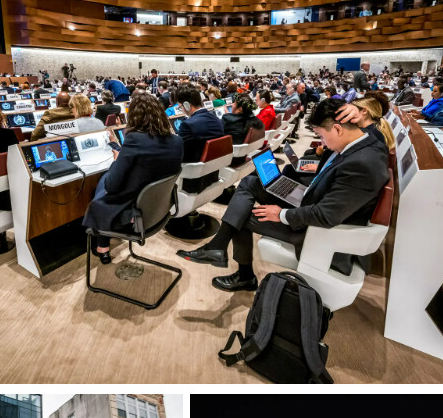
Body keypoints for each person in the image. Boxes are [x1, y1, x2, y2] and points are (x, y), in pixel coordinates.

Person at [177, 98, 390, 291]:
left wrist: (280, 214)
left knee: (244, 214)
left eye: (322, 136)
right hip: (310, 198)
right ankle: (218, 247)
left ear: (338, 129)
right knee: (251, 182)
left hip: (317, 229)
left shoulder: (363, 164)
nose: (322, 144)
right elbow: (372, 130)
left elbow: (326, 216)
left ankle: (244, 276)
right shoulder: (367, 138)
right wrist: (352, 108)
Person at [83, 92, 184, 263]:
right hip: (160, 209)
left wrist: (117, 158)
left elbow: (112, 185)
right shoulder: (177, 141)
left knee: (103, 184)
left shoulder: (134, 140)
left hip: (133, 213)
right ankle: (103, 246)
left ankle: (102, 247)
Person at [173, 84, 226, 162]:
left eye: (180, 107)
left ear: (186, 105)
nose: (181, 110)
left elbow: (181, 154)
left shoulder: (187, 125)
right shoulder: (216, 119)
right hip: (215, 168)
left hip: (195, 170)